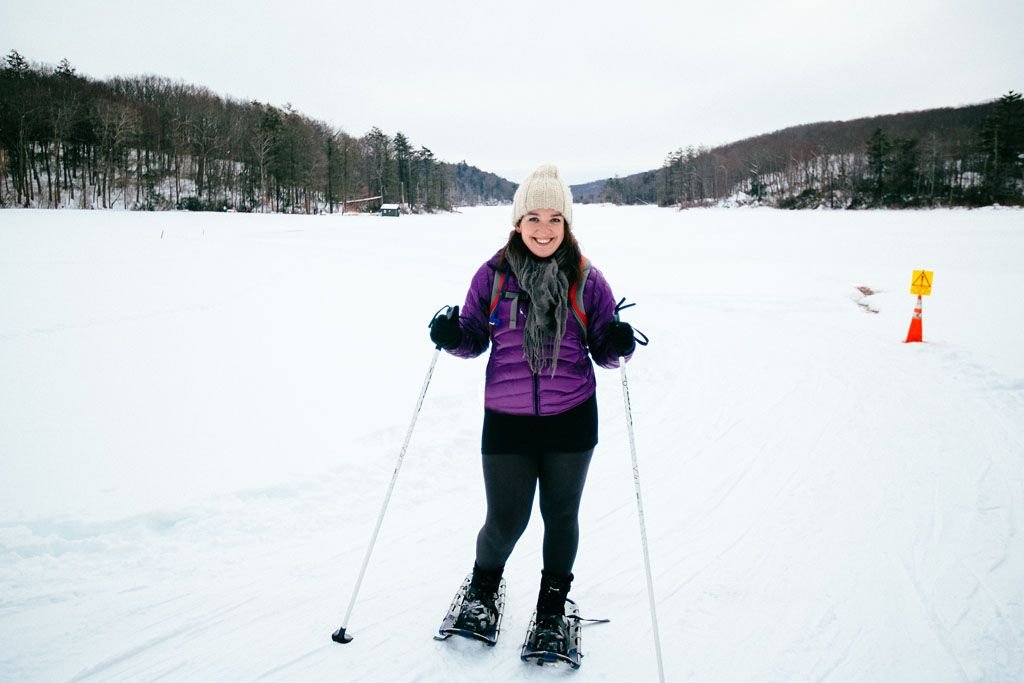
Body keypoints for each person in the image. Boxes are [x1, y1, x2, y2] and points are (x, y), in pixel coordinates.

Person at [428, 164, 637, 654]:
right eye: (534, 218)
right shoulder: (493, 277)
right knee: (506, 521)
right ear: (517, 223)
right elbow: (476, 337)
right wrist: (454, 335)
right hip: (506, 420)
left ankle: (551, 609)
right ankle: (482, 593)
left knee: (560, 516)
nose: (544, 229)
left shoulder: (587, 280)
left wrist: (619, 343)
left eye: (554, 219)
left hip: (572, 417)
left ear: (567, 225)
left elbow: (605, 351)